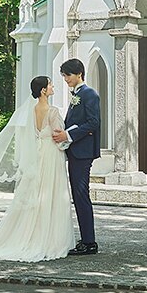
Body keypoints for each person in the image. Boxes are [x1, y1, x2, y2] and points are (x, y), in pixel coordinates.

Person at [0, 75, 73, 262]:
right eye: (50, 85)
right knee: (51, 193)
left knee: (36, 192)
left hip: (37, 155)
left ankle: (30, 233)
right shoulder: (53, 111)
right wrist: (66, 144)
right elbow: (58, 136)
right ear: (43, 90)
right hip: (51, 154)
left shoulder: (29, 111)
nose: (53, 87)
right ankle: (49, 239)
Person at [52, 58, 100, 256]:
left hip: (83, 153)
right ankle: (86, 239)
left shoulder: (89, 94)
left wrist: (68, 135)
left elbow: (93, 123)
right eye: (63, 76)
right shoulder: (77, 95)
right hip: (75, 151)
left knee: (81, 196)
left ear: (79, 73)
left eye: (68, 75)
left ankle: (89, 242)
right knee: (78, 196)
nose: (65, 79)